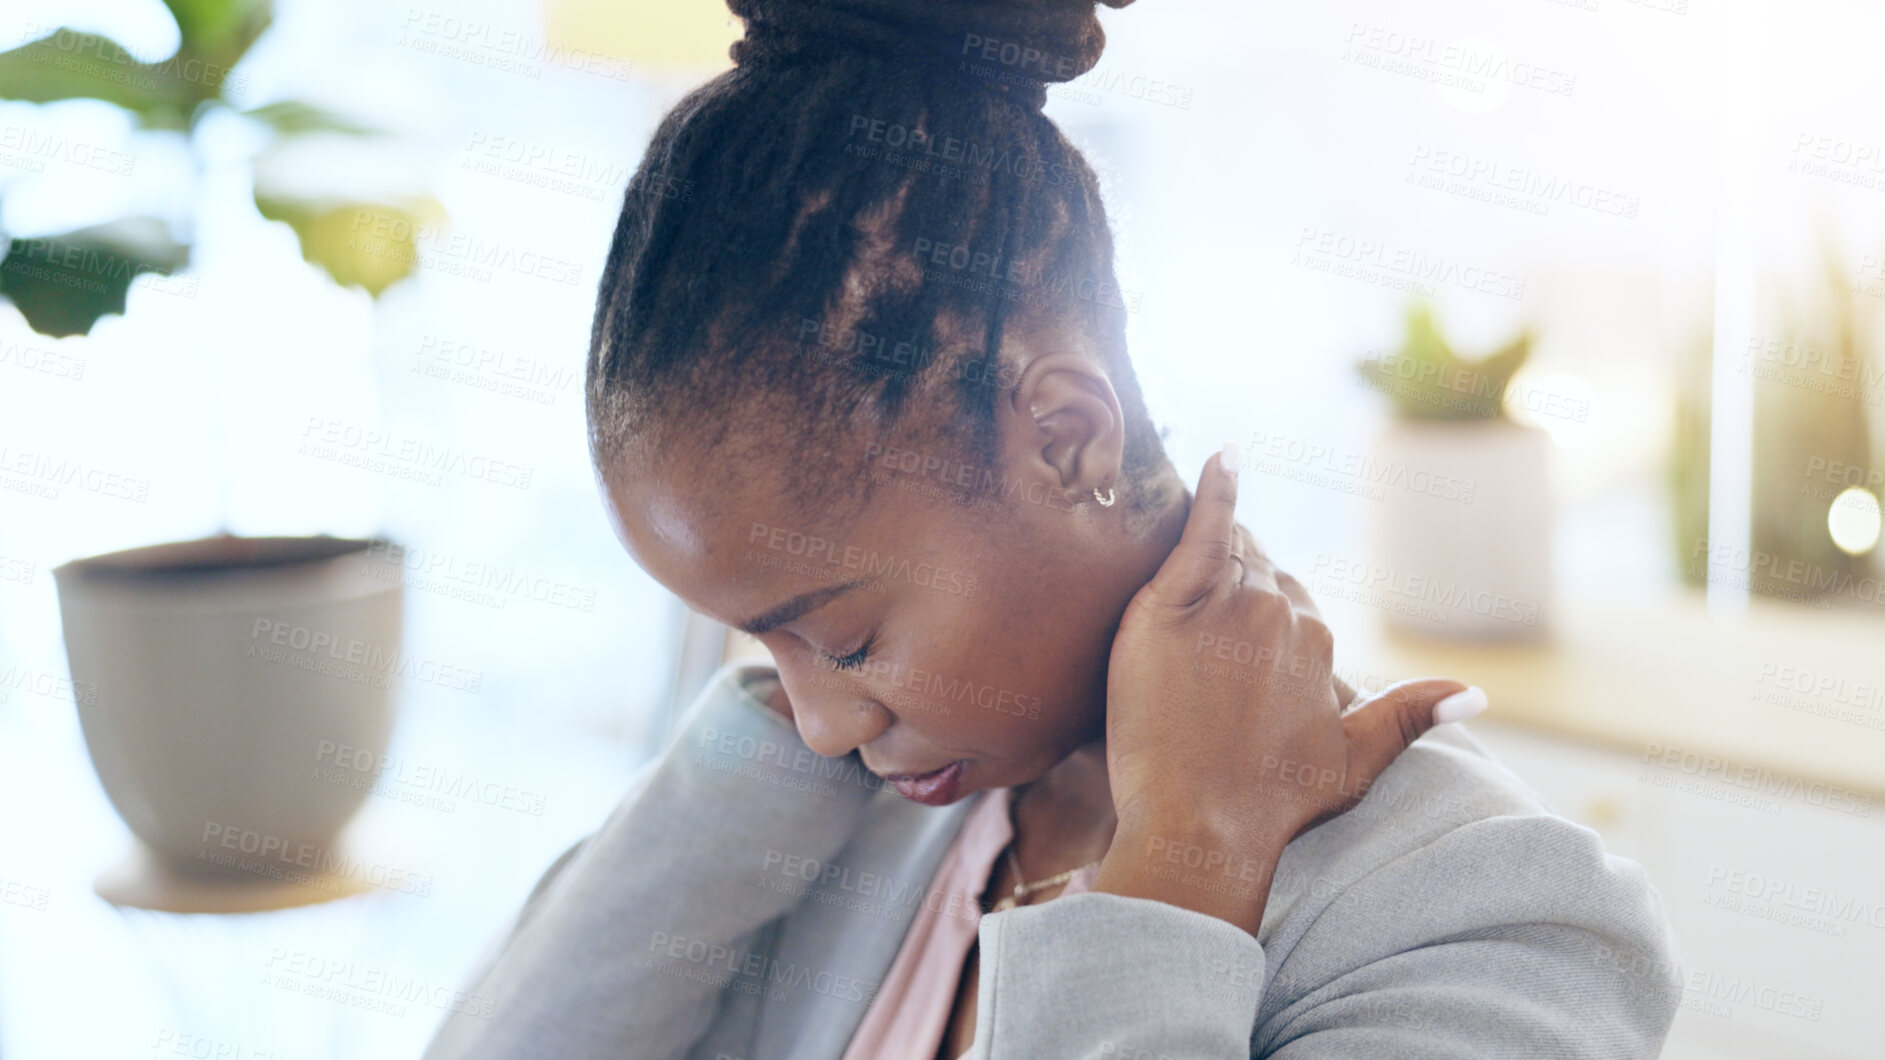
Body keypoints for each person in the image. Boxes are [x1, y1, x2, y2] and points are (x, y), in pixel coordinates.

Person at [423, 0, 1683, 1056]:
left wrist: (1182, 864)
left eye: (847, 640)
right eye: (765, 653)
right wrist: (751, 762)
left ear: (1067, 436)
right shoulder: (836, 818)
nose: (819, 725)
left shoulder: (1482, 913)